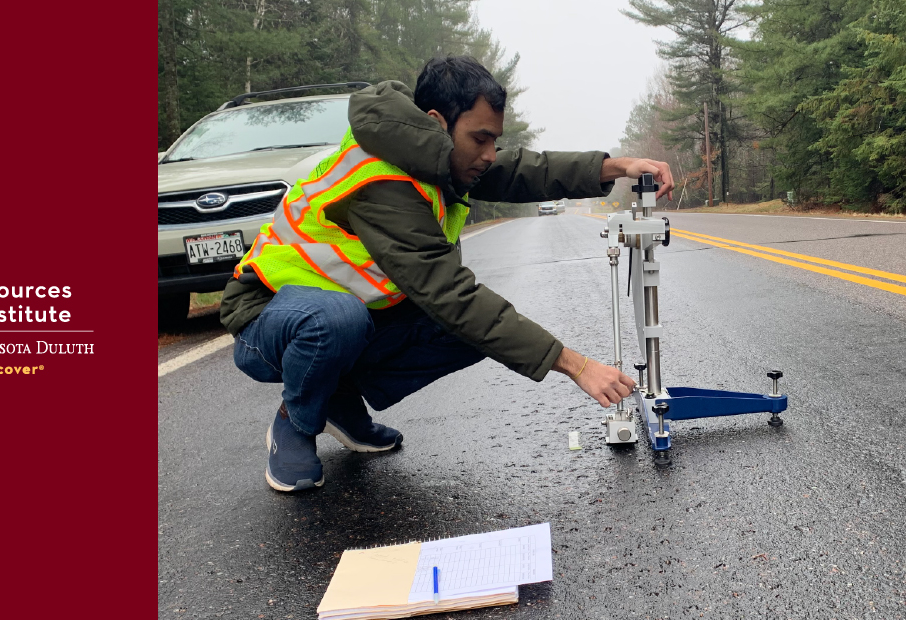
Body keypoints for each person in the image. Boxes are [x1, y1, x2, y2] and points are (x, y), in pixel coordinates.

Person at [220, 56, 674, 492]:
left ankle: (336, 400)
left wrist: (618, 167)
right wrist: (575, 365)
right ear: (438, 123)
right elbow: (450, 295)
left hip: (345, 318)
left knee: (461, 333)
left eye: (494, 139)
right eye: (480, 139)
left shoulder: (433, 158)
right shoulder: (380, 181)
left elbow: (520, 170)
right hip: (267, 321)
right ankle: (296, 422)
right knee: (348, 319)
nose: (490, 153)